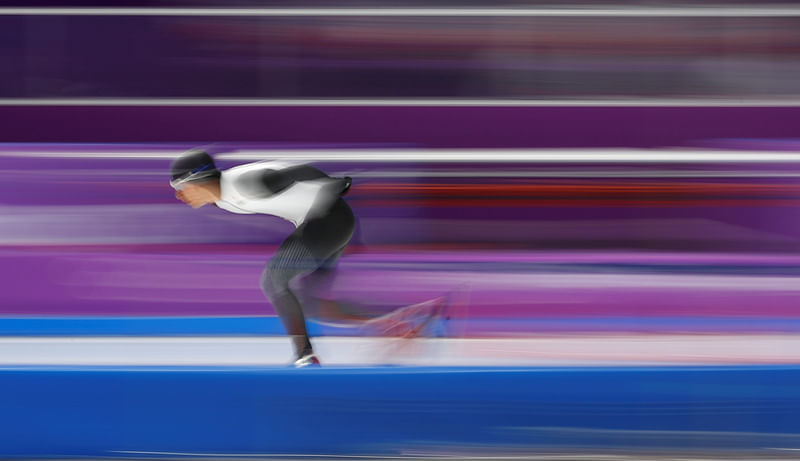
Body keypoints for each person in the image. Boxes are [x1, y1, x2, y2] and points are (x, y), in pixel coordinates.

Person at [170, 150, 443, 367]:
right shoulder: (220, 199)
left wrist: (334, 184)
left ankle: (305, 356)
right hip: (326, 223)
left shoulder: (246, 183)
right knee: (310, 305)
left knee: (274, 280)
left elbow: (297, 172)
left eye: (180, 187)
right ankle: (402, 317)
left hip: (327, 219)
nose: (179, 196)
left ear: (198, 178)